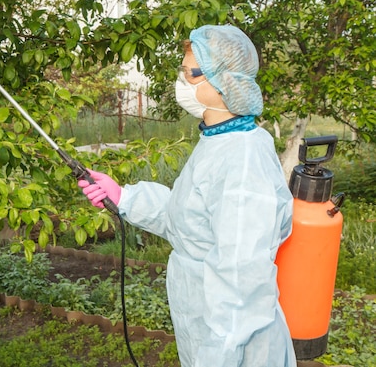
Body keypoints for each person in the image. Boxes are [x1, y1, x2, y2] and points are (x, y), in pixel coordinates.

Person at [79, 25, 297, 367]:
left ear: (225, 81)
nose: (181, 81)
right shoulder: (219, 140)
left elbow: (240, 284)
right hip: (203, 322)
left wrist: (216, 357)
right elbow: (190, 218)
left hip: (234, 347)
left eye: (189, 73)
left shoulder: (242, 160)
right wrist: (124, 197)